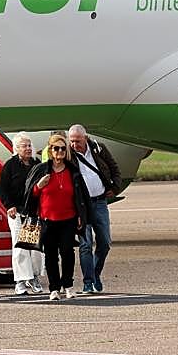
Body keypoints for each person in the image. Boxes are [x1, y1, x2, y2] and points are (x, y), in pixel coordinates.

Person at [24, 131, 89, 301]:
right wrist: (39, 185)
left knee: (67, 252)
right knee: (51, 255)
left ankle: (67, 285)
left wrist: (82, 215)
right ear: (50, 150)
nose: (59, 152)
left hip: (68, 219)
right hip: (47, 220)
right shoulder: (41, 170)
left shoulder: (73, 171)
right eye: (55, 148)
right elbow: (30, 195)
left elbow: (81, 195)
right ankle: (54, 288)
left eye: (62, 148)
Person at [67, 124, 122, 294]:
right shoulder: (67, 154)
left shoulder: (98, 148)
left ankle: (95, 273)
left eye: (77, 141)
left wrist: (115, 188)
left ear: (85, 138)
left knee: (105, 242)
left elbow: (115, 169)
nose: (74, 144)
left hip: (99, 202)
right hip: (82, 206)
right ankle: (88, 282)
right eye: (72, 141)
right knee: (85, 244)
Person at [0, 132, 45, 295]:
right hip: (16, 212)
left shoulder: (37, 165)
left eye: (29, 145)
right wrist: (9, 205)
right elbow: (2, 189)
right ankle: (20, 281)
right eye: (24, 146)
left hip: (32, 212)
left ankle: (34, 277)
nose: (28, 148)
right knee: (20, 248)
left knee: (34, 248)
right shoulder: (10, 166)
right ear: (16, 148)